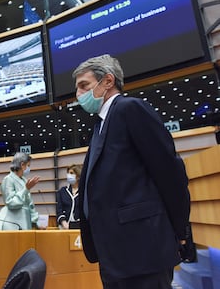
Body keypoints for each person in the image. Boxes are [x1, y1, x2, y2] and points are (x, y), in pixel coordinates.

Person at [73, 54, 190, 289]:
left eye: (84, 85)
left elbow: (169, 171)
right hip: (115, 252)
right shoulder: (100, 125)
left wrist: (179, 230)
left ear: (107, 81)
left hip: (142, 248)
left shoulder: (130, 109)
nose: (78, 94)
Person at [0, 152, 41, 230]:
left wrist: (36, 221)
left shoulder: (24, 180)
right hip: (11, 221)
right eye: (28, 165)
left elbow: (30, 203)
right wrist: (26, 189)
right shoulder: (8, 179)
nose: (29, 168)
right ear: (22, 165)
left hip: (25, 219)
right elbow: (10, 202)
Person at [56, 164, 82, 229]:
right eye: (68, 173)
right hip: (64, 225)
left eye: (71, 173)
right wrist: (64, 223)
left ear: (78, 176)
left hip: (79, 225)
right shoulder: (62, 191)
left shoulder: (83, 191)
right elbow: (59, 210)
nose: (68, 175)